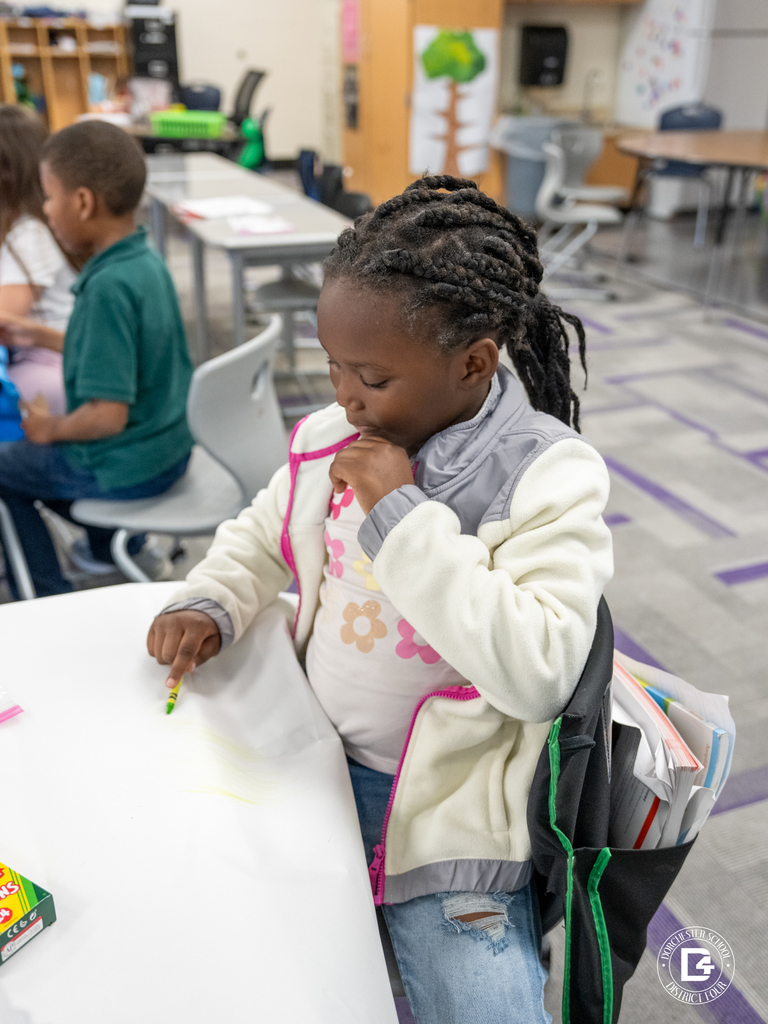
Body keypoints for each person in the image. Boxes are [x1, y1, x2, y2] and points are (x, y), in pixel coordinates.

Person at [146, 176, 614, 1024]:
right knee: (222, 955)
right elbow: (263, 533)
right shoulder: (334, 436)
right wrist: (213, 598)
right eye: (332, 364)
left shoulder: (547, 475)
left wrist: (400, 514)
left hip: (454, 815)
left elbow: (541, 672)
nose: (343, 396)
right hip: (309, 761)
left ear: (473, 362)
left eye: (370, 376)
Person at [0, 120, 194, 599]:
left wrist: (49, 429)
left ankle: (44, 595)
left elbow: (107, 417)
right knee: (35, 463)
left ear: (83, 202)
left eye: (50, 198)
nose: (46, 210)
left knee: (7, 466)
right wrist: (38, 334)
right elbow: (123, 352)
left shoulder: (105, 288)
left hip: (128, 465)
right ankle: (110, 548)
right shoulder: (144, 262)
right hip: (168, 449)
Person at [0, 104, 78, 418]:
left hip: (50, 362)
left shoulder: (30, 235)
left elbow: (4, 316)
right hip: (39, 356)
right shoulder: (24, 226)